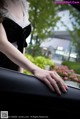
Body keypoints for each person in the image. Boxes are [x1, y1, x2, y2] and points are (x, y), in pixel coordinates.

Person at [0, 0, 68, 95]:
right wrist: (35, 69)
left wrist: (20, 75)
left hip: (13, 72)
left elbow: (22, 44)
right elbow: (2, 43)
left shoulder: (23, 4)